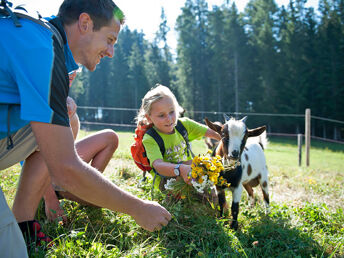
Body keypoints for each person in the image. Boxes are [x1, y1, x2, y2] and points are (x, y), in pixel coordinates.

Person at [0, 0, 171, 256]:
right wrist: (138, 208)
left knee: (67, 116)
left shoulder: (40, 34)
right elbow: (65, 169)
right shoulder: (43, 49)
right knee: (12, 252)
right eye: (110, 39)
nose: (111, 51)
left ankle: (24, 221)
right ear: (85, 23)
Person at [43, 97, 119, 222]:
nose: (71, 77)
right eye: (67, 75)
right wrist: (50, 200)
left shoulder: (64, 98)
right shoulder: (40, 92)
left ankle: (90, 185)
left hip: (60, 163)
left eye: (72, 75)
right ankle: (58, 192)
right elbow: (35, 156)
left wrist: (71, 117)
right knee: (101, 200)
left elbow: (68, 146)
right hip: (41, 177)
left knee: (110, 137)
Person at [136, 84, 221, 190]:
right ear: (149, 118)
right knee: (193, 196)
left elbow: (212, 133)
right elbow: (158, 165)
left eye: (172, 112)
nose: (169, 119)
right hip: (167, 182)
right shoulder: (150, 138)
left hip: (190, 172)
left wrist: (229, 140)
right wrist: (179, 169)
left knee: (210, 185)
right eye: (161, 115)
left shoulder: (184, 125)